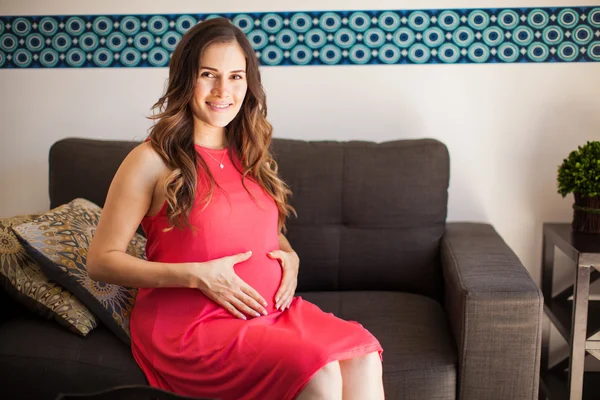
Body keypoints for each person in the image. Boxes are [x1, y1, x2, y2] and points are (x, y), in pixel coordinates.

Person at [87, 17, 384, 400]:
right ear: (185, 78)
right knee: (320, 371)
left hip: (268, 314)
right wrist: (197, 276)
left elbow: (260, 231)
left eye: (236, 76)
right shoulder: (151, 160)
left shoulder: (250, 150)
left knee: (363, 354)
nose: (222, 90)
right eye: (208, 74)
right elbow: (101, 261)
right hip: (191, 325)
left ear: (249, 82)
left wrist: (290, 258)